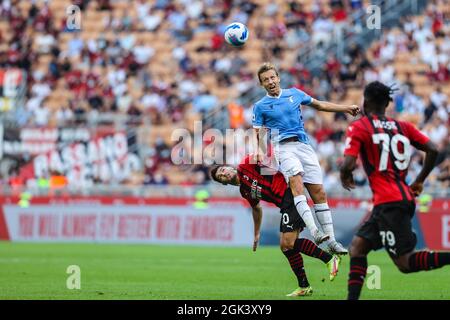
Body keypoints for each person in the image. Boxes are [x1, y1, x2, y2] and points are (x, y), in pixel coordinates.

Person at [340, 81, 450, 300]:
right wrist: (419, 180)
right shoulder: (403, 127)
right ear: (388, 103)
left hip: (389, 203)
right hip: (398, 199)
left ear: (366, 101)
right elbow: (434, 149)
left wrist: (345, 173)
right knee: (358, 247)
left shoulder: (360, 126)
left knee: (405, 263)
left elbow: (348, 164)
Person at [252, 62, 359, 253]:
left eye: (272, 77)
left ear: (278, 77)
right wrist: (261, 152)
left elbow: (320, 105)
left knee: (319, 192)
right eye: (265, 80)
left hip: (304, 145)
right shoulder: (260, 106)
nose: (270, 82)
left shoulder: (295, 93)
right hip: (282, 148)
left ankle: (332, 242)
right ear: (262, 85)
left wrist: (345, 108)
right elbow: (259, 133)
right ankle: (314, 231)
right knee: (297, 184)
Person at [210, 155, 341, 297]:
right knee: (287, 247)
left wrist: (263, 138)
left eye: (223, 169)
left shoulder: (245, 164)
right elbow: (256, 208)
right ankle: (304, 286)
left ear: (230, 167)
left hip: (291, 194)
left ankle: (329, 259)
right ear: (223, 183)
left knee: (287, 243)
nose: (224, 173)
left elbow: (263, 154)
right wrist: (256, 233)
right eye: (220, 176)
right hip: (284, 204)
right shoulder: (245, 191)